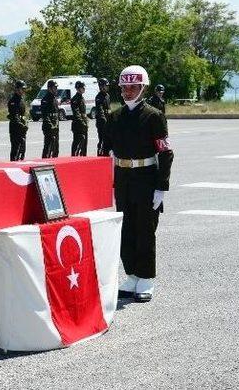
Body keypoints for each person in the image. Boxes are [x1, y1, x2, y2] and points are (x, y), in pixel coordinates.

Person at [104, 65, 174, 303]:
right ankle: (131, 274)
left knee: (145, 229)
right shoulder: (115, 117)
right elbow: (106, 152)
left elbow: (165, 153)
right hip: (123, 178)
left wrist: (161, 187)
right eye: (124, 87)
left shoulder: (154, 116)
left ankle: (146, 277)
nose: (128, 91)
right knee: (126, 229)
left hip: (145, 178)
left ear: (143, 88)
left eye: (133, 87)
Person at [7, 80, 29, 161]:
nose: (23, 90)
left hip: (22, 128)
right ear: (17, 89)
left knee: (22, 149)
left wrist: (26, 124)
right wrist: (22, 126)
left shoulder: (21, 100)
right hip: (15, 128)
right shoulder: (13, 101)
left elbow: (24, 115)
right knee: (15, 150)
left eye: (24, 89)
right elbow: (15, 116)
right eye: (22, 89)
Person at [41, 79, 60, 158]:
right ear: (49, 88)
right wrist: (51, 125)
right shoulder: (45, 99)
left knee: (56, 148)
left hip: (55, 126)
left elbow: (56, 113)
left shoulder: (54, 99)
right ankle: (44, 163)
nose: (56, 89)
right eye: (54, 88)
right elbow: (45, 115)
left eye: (56, 87)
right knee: (48, 147)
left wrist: (56, 125)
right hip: (48, 127)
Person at [70, 80, 89, 156]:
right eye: (82, 87)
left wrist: (86, 121)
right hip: (78, 125)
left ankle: (83, 159)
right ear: (78, 88)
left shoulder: (82, 98)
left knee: (84, 144)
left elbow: (83, 113)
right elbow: (77, 114)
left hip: (83, 124)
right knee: (77, 144)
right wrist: (83, 123)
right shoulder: (75, 99)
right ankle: (74, 159)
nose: (84, 89)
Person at [95, 77, 111, 156]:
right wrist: (105, 122)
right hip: (102, 123)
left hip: (108, 121)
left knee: (108, 140)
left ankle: (106, 154)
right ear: (101, 87)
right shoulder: (98, 97)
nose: (107, 87)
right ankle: (100, 154)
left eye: (107, 86)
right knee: (102, 139)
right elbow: (100, 111)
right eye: (105, 86)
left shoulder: (107, 96)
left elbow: (109, 109)